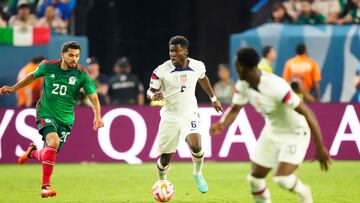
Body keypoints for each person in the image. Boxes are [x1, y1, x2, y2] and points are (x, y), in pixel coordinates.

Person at [210, 47, 331, 203]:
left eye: (237, 65)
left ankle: (304, 193)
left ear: (243, 67)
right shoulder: (243, 85)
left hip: (295, 132)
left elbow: (308, 113)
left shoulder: (275, 85)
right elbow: (234, 110)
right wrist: (222, 124)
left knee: (282, 178)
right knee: (254, 180)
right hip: (272, 131)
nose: (235, 69)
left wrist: (320, 147)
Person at [0, 41, 104, 198]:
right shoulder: (48, 67)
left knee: (51, 151)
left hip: (66, 119)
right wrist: (13, 88)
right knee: (53, 143)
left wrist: (97, 116)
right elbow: (31, 77)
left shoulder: (82, 74)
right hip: (45, 113)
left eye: (77, 56)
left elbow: (94, 97)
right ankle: (45, 186)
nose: (74, 59)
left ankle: (33, 153)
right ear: (62, 55)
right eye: (70, 55)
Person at [147, 36, 223, 193]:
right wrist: (153, 96)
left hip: (189, 113)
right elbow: (150, 90)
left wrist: (213, 99)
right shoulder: (161, 70)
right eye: (170, 51)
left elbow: (203, 78)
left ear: (185, 51)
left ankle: (197, 173)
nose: (173, 54)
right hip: (170, 117)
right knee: (165, 158)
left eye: (176, 51)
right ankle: (162, 182)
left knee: (196, 145)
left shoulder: (197, 65)